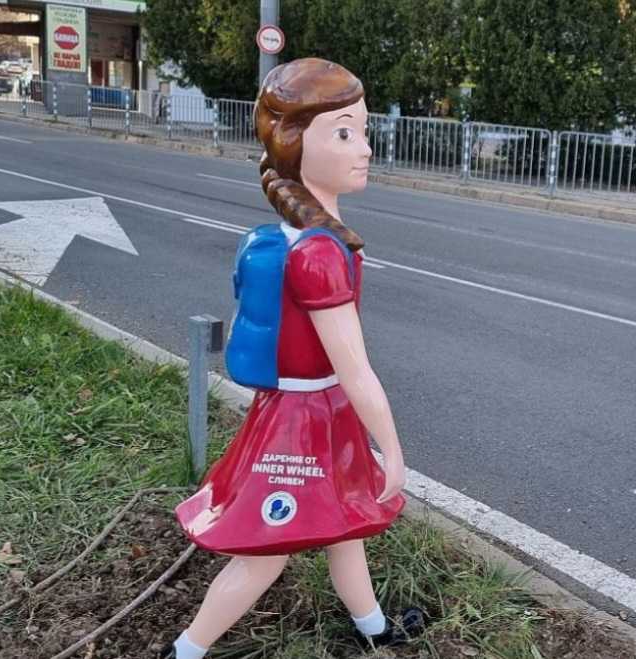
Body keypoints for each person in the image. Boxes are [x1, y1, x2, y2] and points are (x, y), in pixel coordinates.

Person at [161, 58, 426, 659]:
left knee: (343, 529)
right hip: (304, 422)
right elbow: (355, 369)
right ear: (293, 143)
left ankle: (375, 630)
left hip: (304, 413)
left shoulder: (302, 236)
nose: (364, 148)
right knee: (265, 554)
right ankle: (185, 651)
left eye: (362, 130)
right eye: (344, 133)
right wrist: (392, 449)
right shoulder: (320, 254)